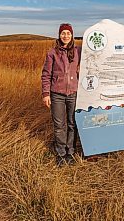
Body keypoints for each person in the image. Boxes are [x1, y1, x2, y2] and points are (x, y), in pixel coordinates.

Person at [41, 23, 81, 166]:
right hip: (56, 93)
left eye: (68, 33)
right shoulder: (52, 53)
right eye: (63, 33)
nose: (65, 36)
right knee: (59, 125)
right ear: (59, 35)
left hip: (73, 93)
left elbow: (93, 57)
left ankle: (70, 151)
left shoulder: (78, 51)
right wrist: (46, 94)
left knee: (72, 123)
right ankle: (61, 153)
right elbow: (46, 74)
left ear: (72, 35)